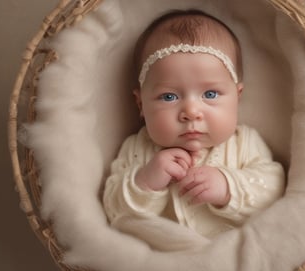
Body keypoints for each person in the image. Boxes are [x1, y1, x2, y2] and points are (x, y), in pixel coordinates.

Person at [103, 9, 285, 239]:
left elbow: (274, 191)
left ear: (237, 97)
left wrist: (228, 187)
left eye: (210, 94)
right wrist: (145, 182)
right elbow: (113, 212)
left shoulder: (244, 143)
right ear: (140, 104)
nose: (191, 112)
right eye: (169, 97)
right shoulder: (136, 149)